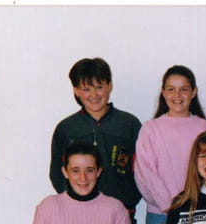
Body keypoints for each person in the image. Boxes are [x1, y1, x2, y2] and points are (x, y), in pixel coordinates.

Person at [135, 65, 206, 224]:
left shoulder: (205, 128)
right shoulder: (150, 129)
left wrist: (191, 206)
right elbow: (145, 174)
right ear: (163, 93)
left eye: (183, 89)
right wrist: (172, 207)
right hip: (161, 215)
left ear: (193, 92)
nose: (177, 95)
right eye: (171, 89)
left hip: (197, 213)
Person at [50, 57, 141, 215]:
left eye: (99, 87)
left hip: (122, 212)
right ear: (76, 91)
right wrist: (73, 202)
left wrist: (129, 199)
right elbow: (57, 174)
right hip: (78, 213)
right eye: (86, 89)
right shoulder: (66, 128)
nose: (94, 95)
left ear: (110, 86)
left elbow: (143, 170)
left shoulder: (129, 124)